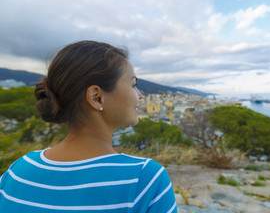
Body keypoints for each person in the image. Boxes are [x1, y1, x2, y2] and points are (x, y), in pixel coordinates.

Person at [0, 40, 177, 212]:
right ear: (96, 97)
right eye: (133, 84)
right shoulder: (144, 179)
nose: (139, 96)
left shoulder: (17, 170)